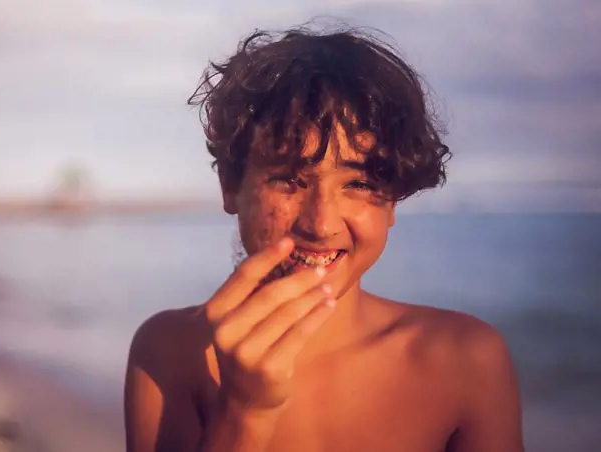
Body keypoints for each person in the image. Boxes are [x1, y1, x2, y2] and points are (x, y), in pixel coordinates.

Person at [124, 24, 524, 452]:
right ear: (231, 186)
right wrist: (245, 411)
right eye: (290, 180)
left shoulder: (466, 359)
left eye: (360, 184)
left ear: (393, 201)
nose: (320, 223)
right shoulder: (170, 353)